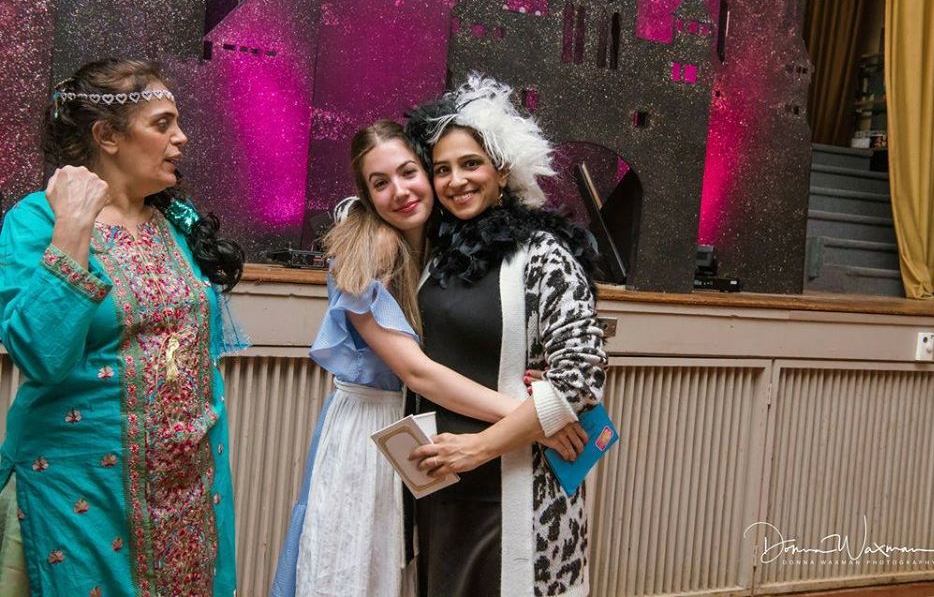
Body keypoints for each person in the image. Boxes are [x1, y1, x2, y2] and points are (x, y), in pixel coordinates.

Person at [270, 120, 586, 597]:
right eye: (380, 182)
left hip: (420, 428)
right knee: (359, 572)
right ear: (366, 195)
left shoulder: (442, 247)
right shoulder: (369, 249)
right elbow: (418, 372)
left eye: (409, 172)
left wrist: (537, 378)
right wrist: (535, 419)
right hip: (373, 430)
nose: (399, 191)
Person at [0, 59, 245, 596]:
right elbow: (40, 356)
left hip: (186, 489)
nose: (181, 138)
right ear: (107, 136)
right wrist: (73, 227)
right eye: (162, 124)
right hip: (81, 490)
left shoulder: (173, 223)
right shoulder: (36, 220)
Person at [403, 74, 607, 597]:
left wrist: (477, 449)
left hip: (519, 488)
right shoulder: (433, 256)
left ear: (501, 170)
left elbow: (582, 376)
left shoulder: (544, 254)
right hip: (440, 486)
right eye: (442, 169)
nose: (456, 181)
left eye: (470, 164)